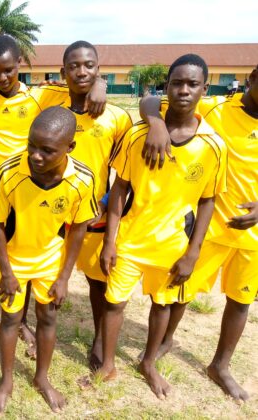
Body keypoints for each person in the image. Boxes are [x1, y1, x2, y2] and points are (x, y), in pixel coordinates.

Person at [0, 34, 107, 348]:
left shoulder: (42, 95)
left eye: (9, 70)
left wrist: (102, 84)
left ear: (20, 65)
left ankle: (22, 320)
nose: (2, 78)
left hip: (31, 189)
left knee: (26, 257)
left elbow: (79, 81)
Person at [97, 54, 227, 399]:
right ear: (166, 86)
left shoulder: (213, 145)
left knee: (163, 305)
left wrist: (193, 252)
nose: (184, 90)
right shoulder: (139, 134)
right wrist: (109, 242)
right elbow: (120, 187)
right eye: (177, 83)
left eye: (192, 84)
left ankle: (149, 363)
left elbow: (208, 200)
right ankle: (108, 364)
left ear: (205, 87)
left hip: (173, 244)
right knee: (114, 303)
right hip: (132, 237)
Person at [139, 64, 258, 402]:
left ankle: (220, 366)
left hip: (253, 236)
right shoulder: (217, 107)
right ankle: (165, 341)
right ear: (251, 79)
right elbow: (152, 101)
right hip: (208, 227)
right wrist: (157, 124)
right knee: (180, 288)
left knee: (241, 300)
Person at [0, 107, 97, 414]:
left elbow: (80, 228)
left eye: (47, 150)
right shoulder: (9, 171)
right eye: (31, 145)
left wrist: (64, 277)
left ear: (69, 148)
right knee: (10, 320)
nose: (35, 155)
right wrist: (5, 272)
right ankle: (6, 382)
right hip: (14, 259)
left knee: (47, 319)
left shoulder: (82, 179)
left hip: (51, 261)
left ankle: (42, 378)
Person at [60, 40, 132, 370]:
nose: (82, 71)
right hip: (55, 212)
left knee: (97, 282)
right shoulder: (52, 107)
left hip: (95, 215)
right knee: (47, 275)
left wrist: (104, 203)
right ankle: (34, 329)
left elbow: (125, 173)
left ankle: (101, 338)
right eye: (74, 65)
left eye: (89, 65)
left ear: (98, 70)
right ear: (63, 73)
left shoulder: (117, 117)